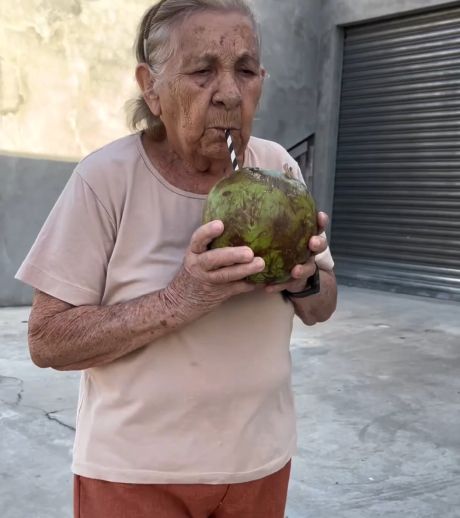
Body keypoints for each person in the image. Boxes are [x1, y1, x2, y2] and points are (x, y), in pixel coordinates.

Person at [15, 1, 337, 516]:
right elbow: (47, 340)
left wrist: (302, 280)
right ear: (151, 87)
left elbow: (322, 306)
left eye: (246, 70)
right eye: (203, 70)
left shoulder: (278, 166)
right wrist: (183, 296)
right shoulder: (105, 179)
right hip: (136, 476)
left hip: (259, 464)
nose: (230, 93)